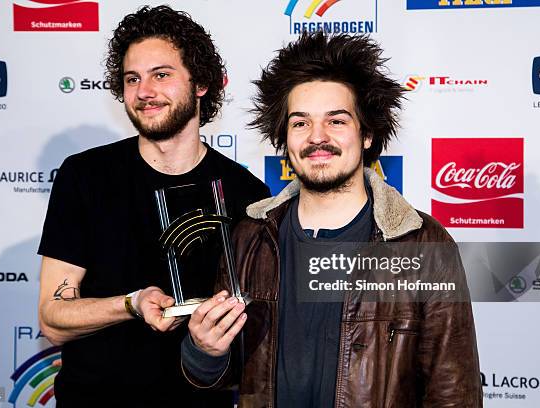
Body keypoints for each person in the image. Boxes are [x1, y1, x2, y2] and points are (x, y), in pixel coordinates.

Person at [182, 32, 482, 407]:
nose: (317, 137)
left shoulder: (423, 243)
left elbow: (454, 391)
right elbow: (224, 376)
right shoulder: (249, 239)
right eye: (300, 123)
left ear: (367, 133)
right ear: (284, 138)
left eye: (337, 121)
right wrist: (204, 350)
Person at [37, 5, 269, 407]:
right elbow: (52, 319)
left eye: (161, 75)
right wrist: (132, 302)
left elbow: (257, 327)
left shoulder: (248, 193)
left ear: (201, 84)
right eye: (133, 78)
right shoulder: (85, 175)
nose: (144, 91)